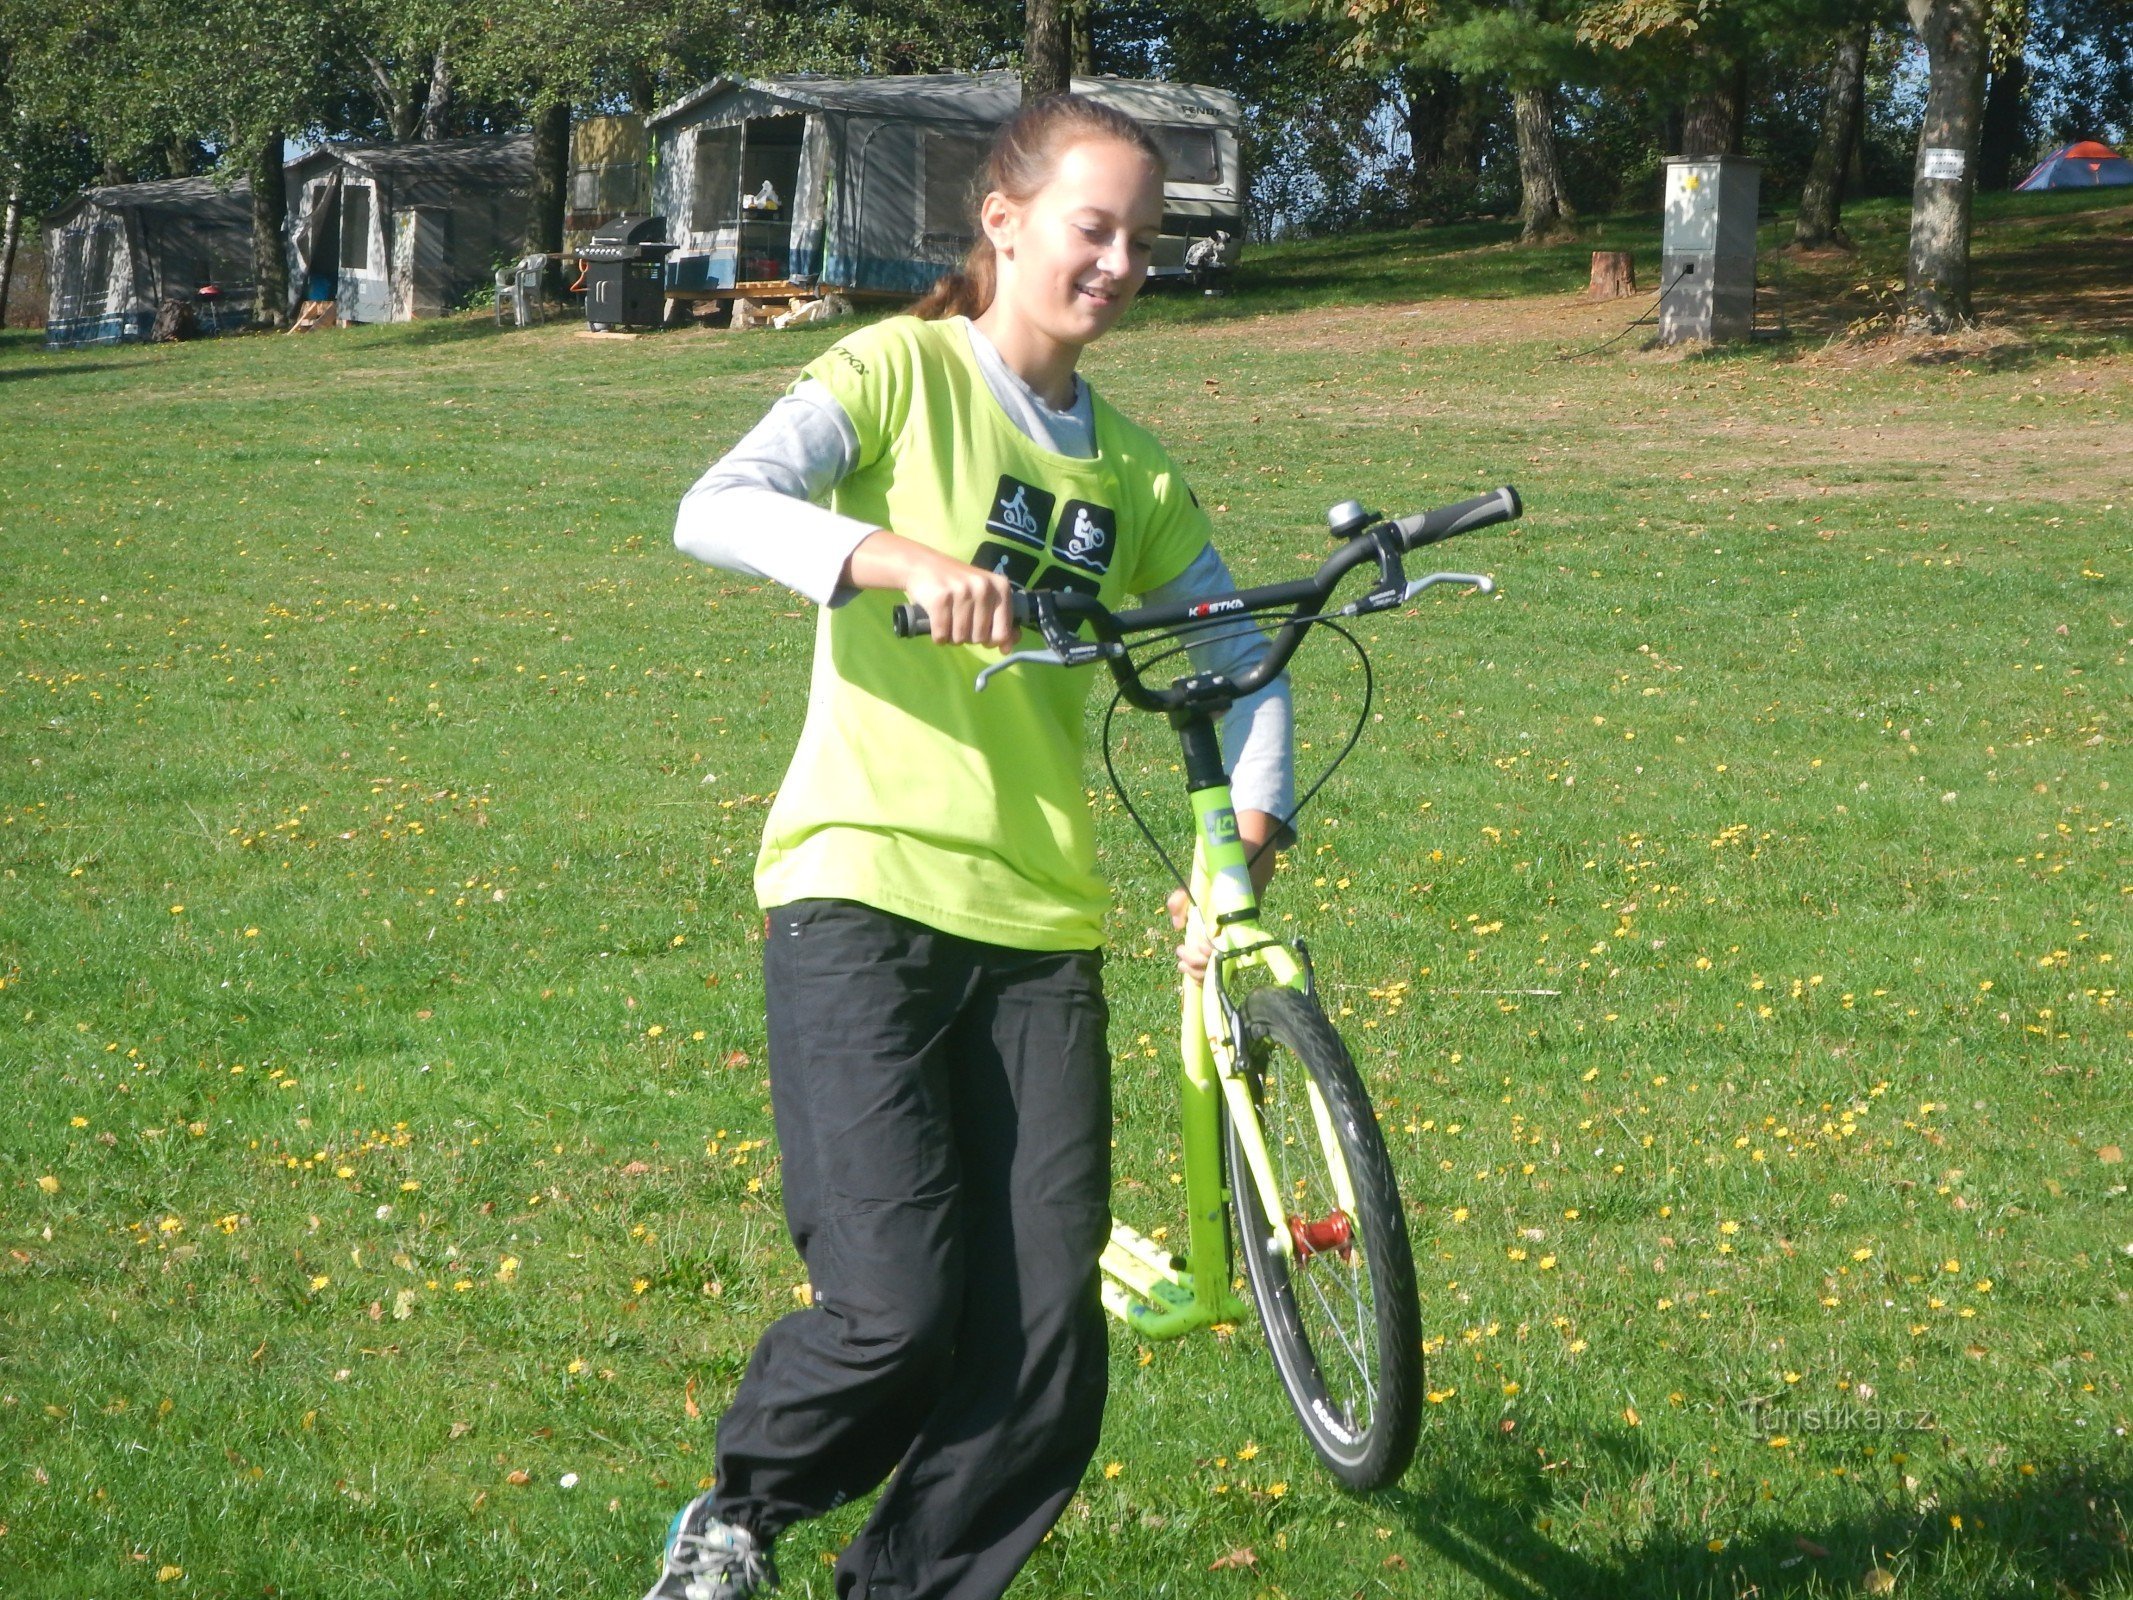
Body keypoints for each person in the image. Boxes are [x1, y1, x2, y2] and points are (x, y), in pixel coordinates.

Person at [654, 93, 1294, 1600]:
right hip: (860, 889)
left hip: (1039, 931)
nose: (1120, 264)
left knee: (1046, 1350)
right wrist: (889, 557)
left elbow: (1244, 661)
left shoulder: (1131, 471)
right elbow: (716, 507)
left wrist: (1244, 848)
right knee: (894, 1308)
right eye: (1094, 228)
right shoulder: (896, 370)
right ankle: (737, 1519)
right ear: (1003, 224)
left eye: (1144, 240)